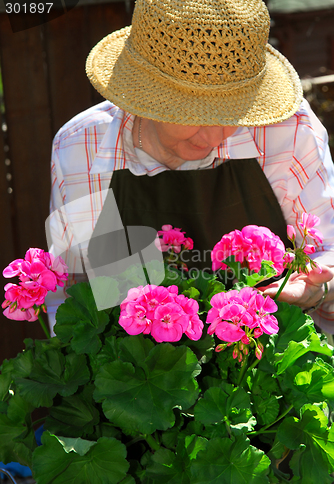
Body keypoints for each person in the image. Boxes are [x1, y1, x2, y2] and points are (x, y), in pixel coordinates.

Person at [46, 0, 334, 334]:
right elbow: (71, 296)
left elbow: (329, 249)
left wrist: (319, 289)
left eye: (232, 113)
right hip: (141, 376)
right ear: (144, 95)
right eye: (193, 114)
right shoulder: (82, 147)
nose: (215, 135)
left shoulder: (287, 130)